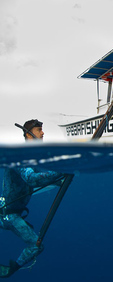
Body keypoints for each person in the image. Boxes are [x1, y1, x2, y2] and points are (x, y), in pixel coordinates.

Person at [0, 119, 65, 278]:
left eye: (42, 129)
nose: (43, 133)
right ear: (29, 134)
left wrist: (59, 180)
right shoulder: (19, 156)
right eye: (38, 130)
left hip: (10, 209)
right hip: (8, 214)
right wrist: (60, 172)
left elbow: (35, 180)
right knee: (36, 246)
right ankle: (11, 270)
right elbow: (31, 179)